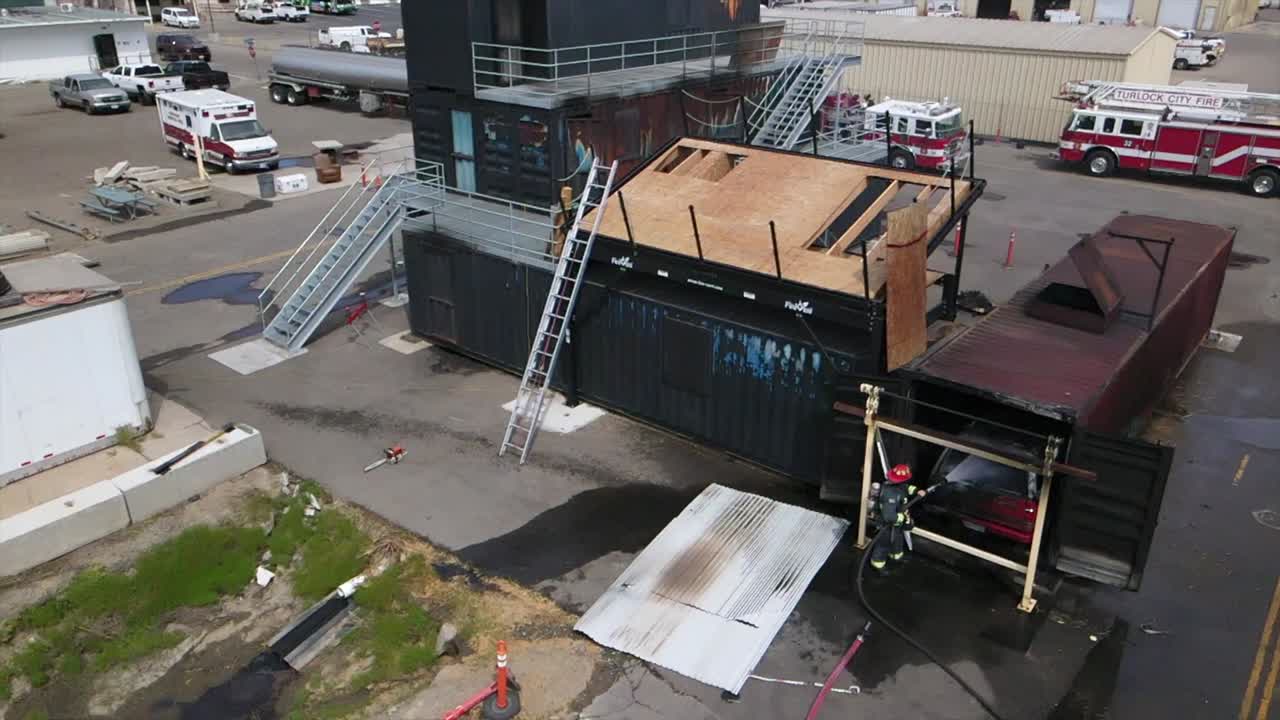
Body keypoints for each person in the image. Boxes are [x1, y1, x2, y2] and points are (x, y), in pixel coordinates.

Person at [870, 464, 926, 571]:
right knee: (884, 544)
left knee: (897, 541)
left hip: (897, 526)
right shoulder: (890, 494)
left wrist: (917, 491)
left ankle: (896, 556)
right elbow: (889, 516)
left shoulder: (900, 486)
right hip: (886, 526)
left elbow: (907, 488)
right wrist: (901, 518)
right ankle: (877, 564)